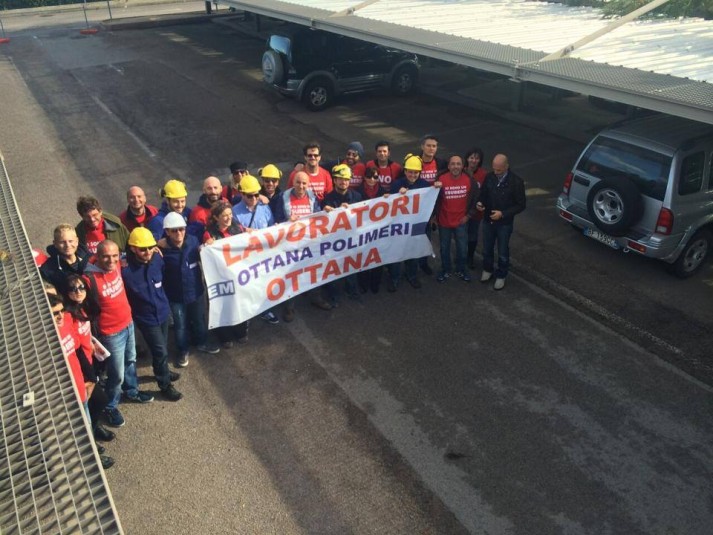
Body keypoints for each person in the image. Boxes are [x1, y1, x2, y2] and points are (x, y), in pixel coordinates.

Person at [84, 240, 154, 428]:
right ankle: (110, 405)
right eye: (106, 256)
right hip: (110, 332)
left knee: (131, 360)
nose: (111, 260)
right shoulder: (88, 278)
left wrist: (156, 247)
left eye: (115, 255)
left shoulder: (118, 264)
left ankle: (132, 391)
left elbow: (135, 253)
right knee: (116, 374)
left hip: (128, 323)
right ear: (97, 256)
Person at [49, 292, 114, 470]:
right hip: (66, 395)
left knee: (98, 405)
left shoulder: (67, 320)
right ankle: (93, 460)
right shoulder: (45, 339)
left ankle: (93, 437)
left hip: (81, 385)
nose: (60, 315)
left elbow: (78, 351)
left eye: (61, 310)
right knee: (81, 431)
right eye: (54, 313)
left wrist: (91, 379)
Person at [121, 228, 182, 401]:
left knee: (161, 347)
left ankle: (162, 371)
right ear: (132, 248)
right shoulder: (124, 270)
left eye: (150, 247)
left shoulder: (157, 259)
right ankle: (164, 385)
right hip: (146, 318)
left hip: (162, 312)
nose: (147, 252)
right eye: (142, 249)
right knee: (160, 350)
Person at [159, 212, 220, 366]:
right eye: (174, 230)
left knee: (199, 320)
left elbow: (204, 252)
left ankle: (201, 342)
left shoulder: (193, 241)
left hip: (196, 291)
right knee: (180, 326)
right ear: (167, 232)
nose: (179, 233)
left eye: (181, 229)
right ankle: (183, 350)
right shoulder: (160, 250)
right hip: (175, 296)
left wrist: (209, 246)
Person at [274, 171, 331, 320]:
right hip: (291, 245)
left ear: (308, 184)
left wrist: (326, 213)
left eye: (304, 183)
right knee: (290, 275)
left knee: (314, 270)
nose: (301, 186)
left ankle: (315, 297)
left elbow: (317, 214)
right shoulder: (283, 197)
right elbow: (277, 218)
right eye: (298, 182)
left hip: (310, 243)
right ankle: (289, 307)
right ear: (293, 182)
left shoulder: (312, 196)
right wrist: (287, 221)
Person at [231, 175, 281, 325]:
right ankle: (246, 314)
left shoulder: (265, 208)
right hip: (246, 257)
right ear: (241, 194)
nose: (254, 198)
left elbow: (272, 227)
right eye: (249, 195)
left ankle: (265, 310)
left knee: (264, 284)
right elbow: (232, 236)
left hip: (264, 255)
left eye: (256, 195)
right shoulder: (234, 212)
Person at [203, 201, 250, 347]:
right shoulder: (209, 233)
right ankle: (224, 335)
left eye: (230, 214)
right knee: (222, 304)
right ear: (216, 218)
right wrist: (207, 245)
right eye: (224, 216)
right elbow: (204, 252)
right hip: (219, 277)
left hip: (236, 274)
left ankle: (240, 330)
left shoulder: (237, 228)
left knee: (238, 302)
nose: (228, 218)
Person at [477, 153, 526, 290]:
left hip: (504, 224)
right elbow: (483, 194)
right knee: (487, 248)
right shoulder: (489, 177)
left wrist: (503, 214)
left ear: (506, 167)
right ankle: (487, 269)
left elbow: (521, 205)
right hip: (488, 220)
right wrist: (480, 202)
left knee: (503, 251)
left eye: (499, 170)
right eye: (494, 169)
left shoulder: (516, 182)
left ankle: (501, 275)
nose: (496, 172)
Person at [388, 155, 432, 291]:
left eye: (415, 172)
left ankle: (412, 276)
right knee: (396, 254)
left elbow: (433, 200)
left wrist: (437, 187)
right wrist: (397, 195)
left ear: (419, 173)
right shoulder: (396, 184)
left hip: (415, 227)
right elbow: (388, 205)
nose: (413, 175)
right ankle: (394, 278)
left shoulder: (425, 185)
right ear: (405, 171)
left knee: (412, 252)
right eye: (410, 172)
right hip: (399, 227)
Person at [322, 164, 362, 305]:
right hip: (335, 241)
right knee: (334, 268)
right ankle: (334, 295)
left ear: (349, 180)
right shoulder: (328, 199)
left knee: (351, 265)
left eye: (345, 179)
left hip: (352, 239)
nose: (343, 182)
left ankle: (352, 290)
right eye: (340, 179)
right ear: (334, 180)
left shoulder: (357, 196)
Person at [435, 155, 478, 283]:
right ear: (448, 166)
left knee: (462, 248)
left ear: (462, 166)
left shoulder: (469, 180)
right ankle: (445, 270)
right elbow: (433, 199)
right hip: (444, 222)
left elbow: (476, 200)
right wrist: (434, 217)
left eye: (458, 164)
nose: (455, 166)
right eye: (452, 164)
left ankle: (461, 270)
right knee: (444, 248)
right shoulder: (440, 179)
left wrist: (468, 216)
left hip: (461, 222)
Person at [357, 166, 390, 294]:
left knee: (377, 256)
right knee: (363, 257)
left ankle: (375, 283)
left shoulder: (382, 192)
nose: (372, 179)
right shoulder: (358, 192)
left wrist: (390, 200)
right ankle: (363, 283)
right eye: (369, 176)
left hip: (378, 231)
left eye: (375, 177)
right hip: (363, 231)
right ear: (365, 177)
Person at [40, 224, 91, 294]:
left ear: (76, 241)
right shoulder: (47, 270)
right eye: (62, 242)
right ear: (55, 244)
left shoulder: (90, 259)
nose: (67, 245)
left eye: (70, 241)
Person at [464, 147, 487, 269]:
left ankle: (470, 257)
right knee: (461, 235)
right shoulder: (461, 171)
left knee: (473, 236)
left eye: (476, 158)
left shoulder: (483, 174)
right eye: (471, 157)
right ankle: (461, 256)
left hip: (476, 213)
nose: (473, 160)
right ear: (467, 158)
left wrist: (482, 203)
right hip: (462, 212)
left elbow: (486, 192)